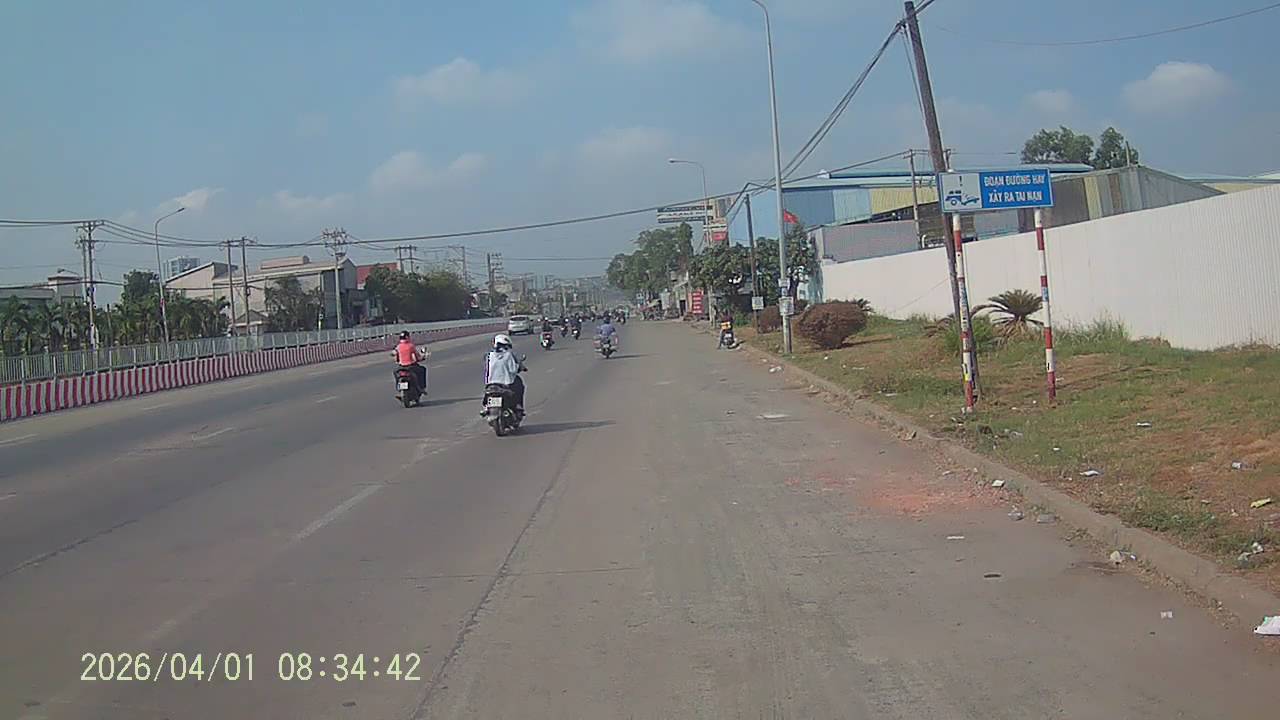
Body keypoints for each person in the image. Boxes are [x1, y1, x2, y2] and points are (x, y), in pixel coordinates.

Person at [484, 334, 526, 414]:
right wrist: (518, 366)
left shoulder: (490, 355)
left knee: (488, 393)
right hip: (506, 383)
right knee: (519, 385)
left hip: (491, 383)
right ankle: (518, 405)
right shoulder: (508, 355)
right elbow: (513, 370)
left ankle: (486, 407)